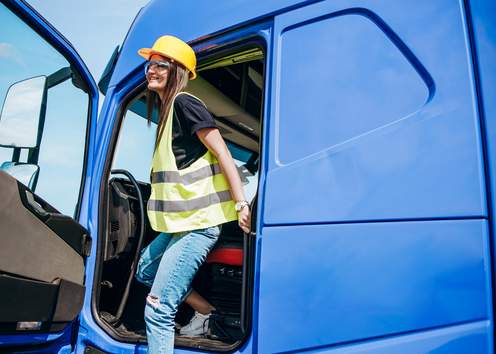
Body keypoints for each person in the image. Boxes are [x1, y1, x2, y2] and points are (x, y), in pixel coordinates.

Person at [134, 35, 251, 354]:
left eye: (161, 65)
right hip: (179, 224)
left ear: (178, 70)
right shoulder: (167, 114)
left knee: (157, 311)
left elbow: (224, 153)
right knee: (145, 269)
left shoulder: (185, 103)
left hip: (198, 225)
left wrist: (241, 202)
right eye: (150, 64)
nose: (151, 70)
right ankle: (208, 313)